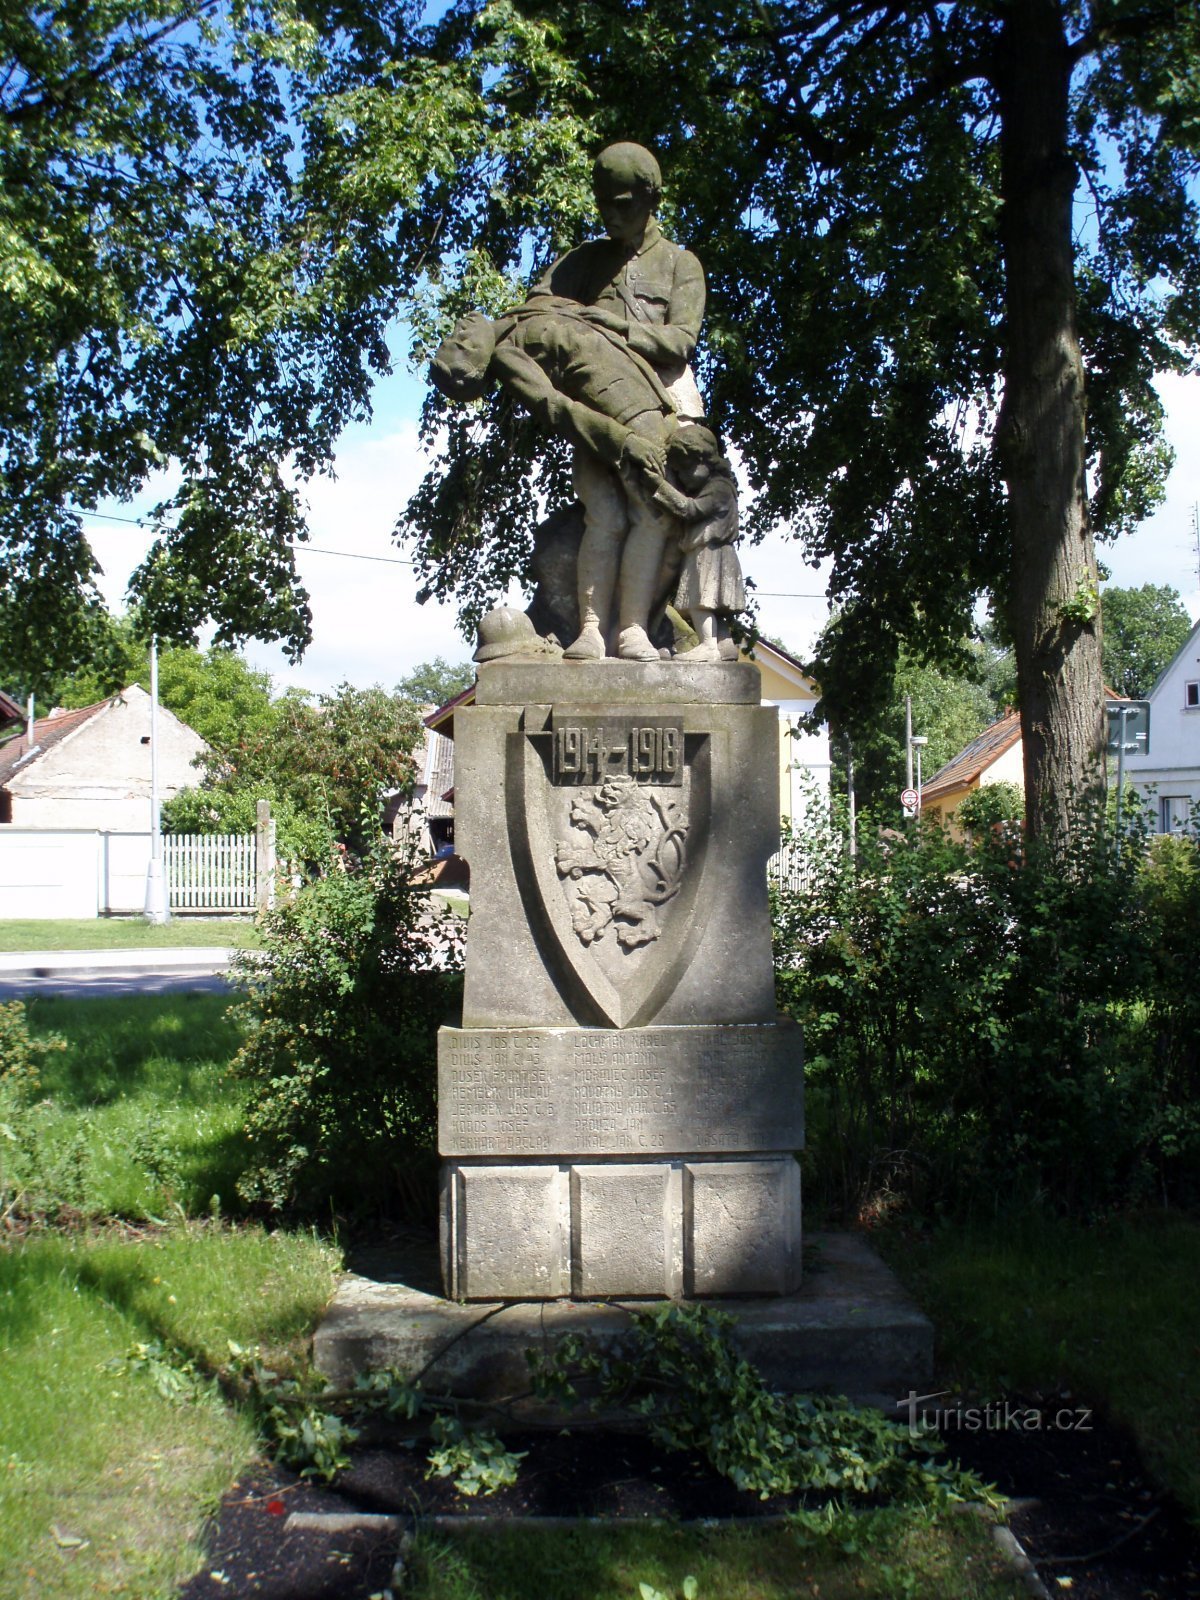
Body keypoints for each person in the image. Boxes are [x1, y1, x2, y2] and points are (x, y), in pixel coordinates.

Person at [524, 142, 707, 660]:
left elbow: (681, 341)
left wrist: (620, 329)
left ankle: (634, 629)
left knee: (653, 517)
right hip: (598, 412)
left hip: (663, 406)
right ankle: (589, 628)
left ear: (652, 198)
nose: (611, 214)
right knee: (602, 513)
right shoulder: (583, 261)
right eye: (604, 202)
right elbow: (535, 313)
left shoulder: (680, 263)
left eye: (624, 203)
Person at [649, 427, 744, 662]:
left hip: (708, 553)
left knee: (700, 603)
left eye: (684, 469)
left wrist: (658, 486)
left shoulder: (718, 488)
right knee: (714, 607)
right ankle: (725, 646)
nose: (681, 477)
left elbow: (691, 509)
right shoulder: (723, 487)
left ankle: (708, 645)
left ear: (702, 459)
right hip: (716, 552)